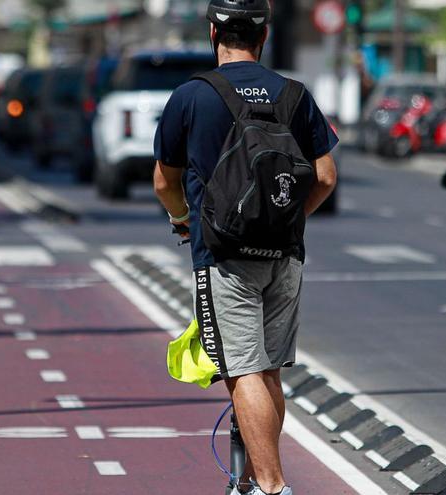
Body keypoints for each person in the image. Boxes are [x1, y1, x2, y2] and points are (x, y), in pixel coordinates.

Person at [153, 1, 338, 493]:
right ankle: (256, 480)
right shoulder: (295, 94)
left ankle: (273, 487)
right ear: (264, 34)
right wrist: (287, 221)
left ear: (213, 32)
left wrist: (184, 221)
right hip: (284, 255)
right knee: (268, 371)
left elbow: (163, 182)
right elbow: (324, 177)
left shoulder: (192, 96)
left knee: (242, 372)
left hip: (223, 254)